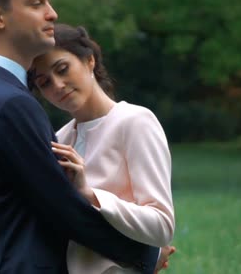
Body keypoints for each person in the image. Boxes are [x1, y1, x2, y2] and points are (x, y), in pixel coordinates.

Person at [0, 0, 160, 274]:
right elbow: (63, 209)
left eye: (48, 0)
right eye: (37, 3)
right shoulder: (11, 104)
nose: (52, 13)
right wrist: (147, 254)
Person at [29, 23, 176, 273]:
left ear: (89, 61)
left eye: (63, 69)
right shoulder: (59, 140)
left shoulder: (134, 121)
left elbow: (162, 226)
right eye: (44, 82)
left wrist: (90, 194)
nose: (58, 85)